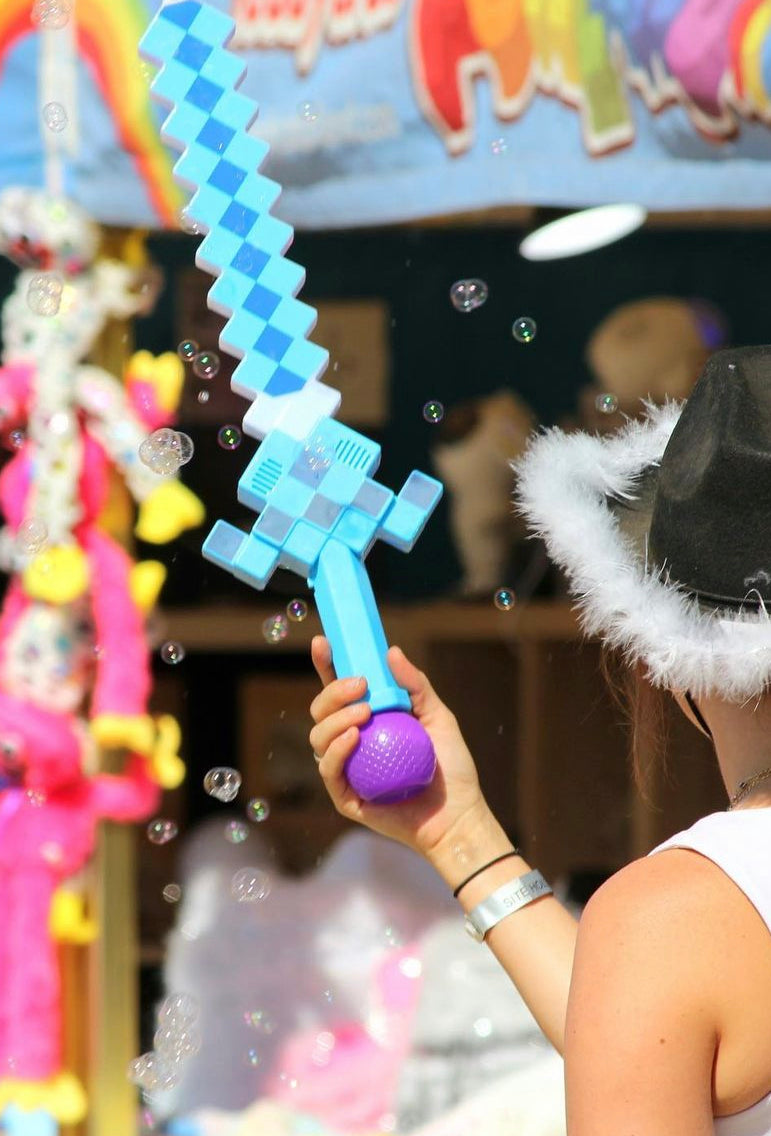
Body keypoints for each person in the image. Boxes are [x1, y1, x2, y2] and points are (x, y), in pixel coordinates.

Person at [309, 345, 771, 1135]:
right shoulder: (669, 934)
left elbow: (656, 998)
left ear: (666, 641)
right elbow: (635, 1028)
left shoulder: (673, 922)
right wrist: (459, 836)